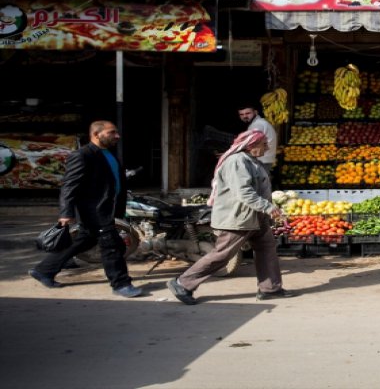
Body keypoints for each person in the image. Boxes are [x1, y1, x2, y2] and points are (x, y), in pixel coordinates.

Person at [166, 129, 296, 305]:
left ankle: (270, 289)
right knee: (223, 254)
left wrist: (267, 210)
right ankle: (183, 283)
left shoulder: (252, 161)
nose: (267, 147)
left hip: (256, 217)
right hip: (238, 218)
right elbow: (244, 192)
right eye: (264, 144)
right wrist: (267, 207)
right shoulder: (237, 162)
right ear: (251, 145)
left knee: (267, 248)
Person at [28, 121, 143, 298]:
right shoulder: (82, 155)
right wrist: (66, 212)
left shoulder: (108, 154)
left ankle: (44, 270)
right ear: (96, 134)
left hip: (109, 208)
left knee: (85, 240)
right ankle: (121, 284)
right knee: (111, 245)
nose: (117, 136)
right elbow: (69, 185)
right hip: (95, 209)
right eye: (112, 132)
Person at [238, 103, 277, 174]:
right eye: (241, 114)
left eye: (248, 113)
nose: (245, 116)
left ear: (255, 112)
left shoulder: (258, 124)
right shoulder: (260, 122)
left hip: (261, 160)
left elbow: (251, 142)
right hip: (264, 159)